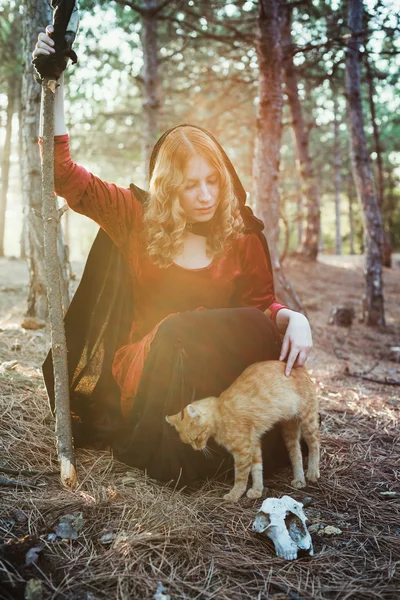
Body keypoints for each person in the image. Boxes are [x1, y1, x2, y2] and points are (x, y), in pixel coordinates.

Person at [33, 26, 313, 487]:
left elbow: (261, 309)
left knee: (243, 324)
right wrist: (54, 84)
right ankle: (175, 451)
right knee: (179, 327)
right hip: (147, 375)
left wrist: (292, 319)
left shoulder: (240, 233)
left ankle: (227, 446)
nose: (205, 195)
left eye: (213, 181)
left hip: (213, 375)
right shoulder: (134, 216)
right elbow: (62, 175)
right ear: (168, 187)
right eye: (190, 185)